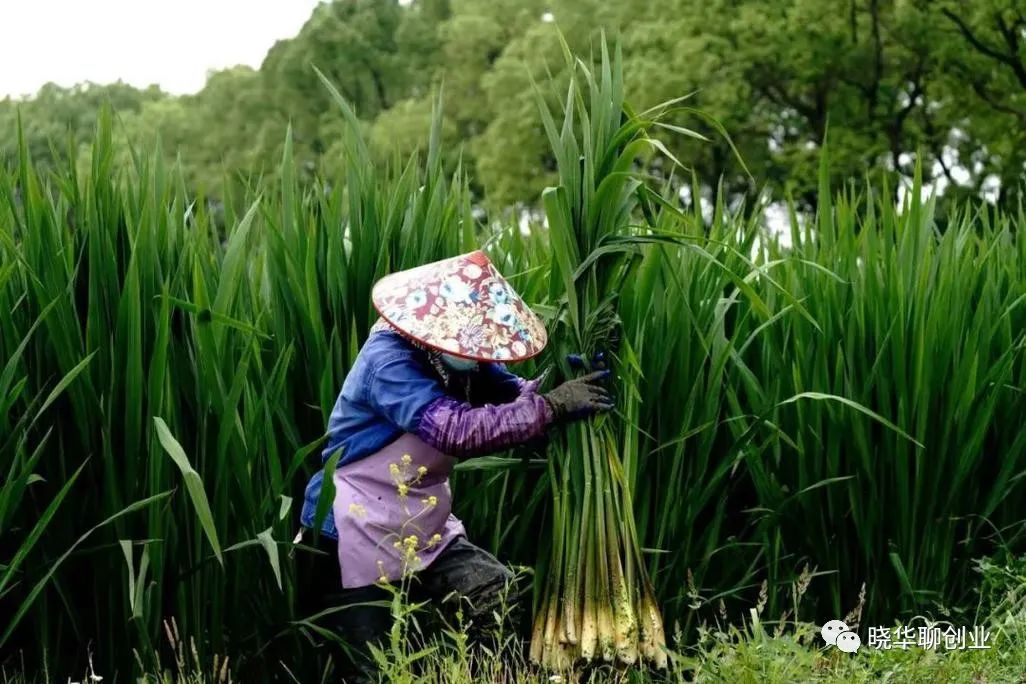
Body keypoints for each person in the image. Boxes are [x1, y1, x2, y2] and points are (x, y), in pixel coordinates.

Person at [296, 250, 613, 682]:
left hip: (420, 523)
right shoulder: (388, 360)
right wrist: (553, 407)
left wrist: (557, 385)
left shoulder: (459, 356)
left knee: (495, 594)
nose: (475, 352)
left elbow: (513, 396)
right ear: (434, 325)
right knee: (377, 670)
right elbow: (453, 431)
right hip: (350, 527)